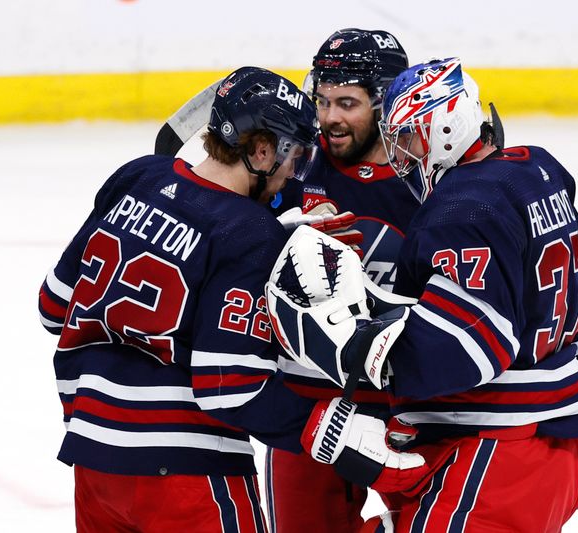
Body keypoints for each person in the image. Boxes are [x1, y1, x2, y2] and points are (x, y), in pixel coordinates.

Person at [37, 66, 424, 533]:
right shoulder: (247, 232)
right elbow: (231, 385)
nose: (293, 176)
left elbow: (52, 306)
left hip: (93, 460)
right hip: (186, 469)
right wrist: (336, 430)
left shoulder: (136, 176)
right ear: (262, 150)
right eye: (293, 159)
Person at [266, 58, 578, 532]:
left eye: (410, 138)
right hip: (555, 442)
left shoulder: (461, 209)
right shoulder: (535, 172)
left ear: (447, 129)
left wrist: (356, 347)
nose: (403, 156)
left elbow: (468, 348)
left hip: (501, 446)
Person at [266, 28, 421, 533]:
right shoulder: (293, 164)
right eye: (323, 100)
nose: (330, 117)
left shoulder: (434, 173)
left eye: (348, 102)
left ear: (388, 100)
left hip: (411, 405)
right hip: (309, 401)